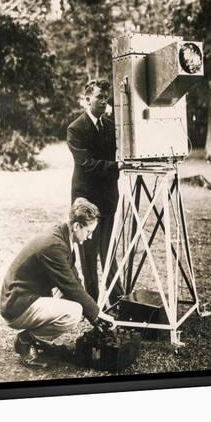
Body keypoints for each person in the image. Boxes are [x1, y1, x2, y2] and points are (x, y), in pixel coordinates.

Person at [0, 197, 115, 362]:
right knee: (74, 312)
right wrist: (96, 315)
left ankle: (35, 340)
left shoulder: (62, 235)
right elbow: (71, 286)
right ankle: (26, 340)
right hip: (16, 305)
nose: (90, 237)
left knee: (79, 302)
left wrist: (95, 313)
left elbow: (74, 281)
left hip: (25, 296)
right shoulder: (55, 246)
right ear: (76, 226)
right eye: (89, 232)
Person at [67, 78, 124, 307]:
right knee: (88, 256)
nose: (103, 102)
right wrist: (115, 166)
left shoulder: (111, 126)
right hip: (86, 199)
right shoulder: (76, 128)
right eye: (99, 97)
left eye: (105, 98)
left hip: (109, 197)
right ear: (87, 99)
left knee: (109, 251)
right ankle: (91, 303)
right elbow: (86, 163)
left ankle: (118, 299)